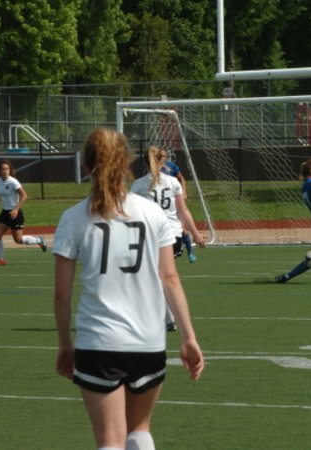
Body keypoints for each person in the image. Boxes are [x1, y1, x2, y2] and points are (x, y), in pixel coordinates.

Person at [52, 128, 204, 450]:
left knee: (110, 439)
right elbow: (170, 278)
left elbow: (62, 294)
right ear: (127, 163)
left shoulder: (73, 218)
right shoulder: (152, 213)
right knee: (139, 430)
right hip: (147, 340)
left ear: (85, 165)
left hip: (98, 341)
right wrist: (188, 337)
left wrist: (65, 343)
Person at [131, 145, 206, 331]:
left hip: (150, 234)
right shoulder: (173, 182)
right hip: (172, 234)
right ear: (162, 161)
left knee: (152, 277)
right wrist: (195, 233)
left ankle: (162, 316)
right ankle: (168, 317)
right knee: (167, 276)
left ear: (145, 162)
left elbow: (131, 214)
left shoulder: (138, 184)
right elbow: (183, 210)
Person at [0, 160, 46, 265]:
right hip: (5, 213)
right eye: (3, 169)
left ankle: (39, 241)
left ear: (9, 170)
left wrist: (16, 209)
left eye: (7, 169)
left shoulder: (13, 182)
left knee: (18, 240)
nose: (5, 171)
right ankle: (1, 260)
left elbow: (24, 196)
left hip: (15, 214)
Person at [159, 149, 198, 262]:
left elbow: (181, 178)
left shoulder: (171, 166)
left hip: (173, 200)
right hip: (160, 202)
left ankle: (190, 252)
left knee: (182, 227)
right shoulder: (152, 168)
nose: (162, 158)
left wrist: (183, 192)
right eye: (160, 156)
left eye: (164, 156)